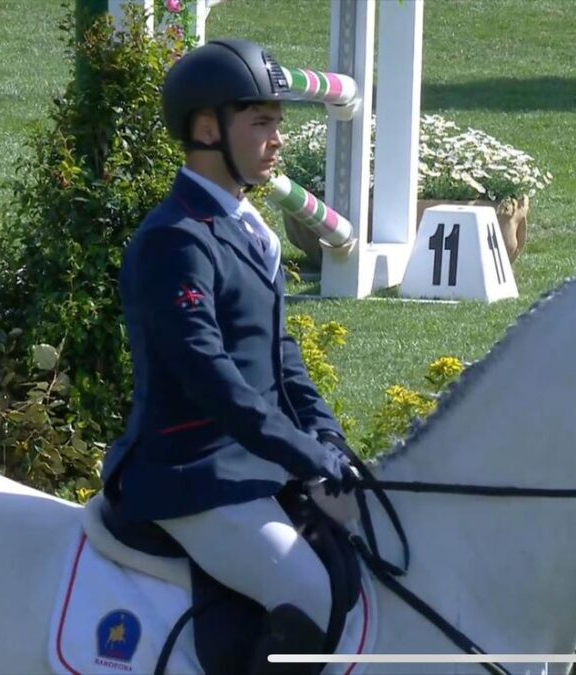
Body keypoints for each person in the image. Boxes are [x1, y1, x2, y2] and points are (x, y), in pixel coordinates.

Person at [99, 38, 356, 672]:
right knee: (308, 594)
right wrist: (301, 453)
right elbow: (213, 378)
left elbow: (279, 355)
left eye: (278, 123)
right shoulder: (175, 241)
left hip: (253, 468)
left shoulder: (247, 229)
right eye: (261, 123)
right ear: (208, 129)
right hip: (191, 475)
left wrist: (326, 434)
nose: (277, 140)